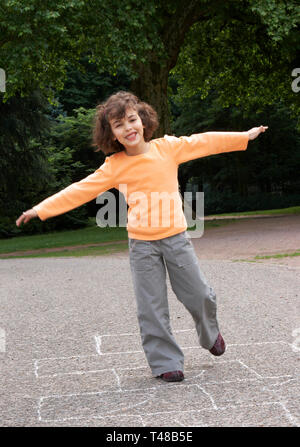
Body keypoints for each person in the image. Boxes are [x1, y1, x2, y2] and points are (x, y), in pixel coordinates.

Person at [16, 91, 268, 382]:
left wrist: (244, 136)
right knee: (151, 306)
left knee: (199, 294)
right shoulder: (114, 166)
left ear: (143, 120)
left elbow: (205, 141)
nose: (128, 128)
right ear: (111, 134)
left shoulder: (168, 148)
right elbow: (80, 189)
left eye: (132, 120)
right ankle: (165, 362)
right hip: (142, 245)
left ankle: (209, 334)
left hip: (175, 238)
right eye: (119, 125)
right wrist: (41, 208)